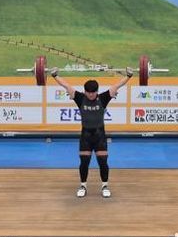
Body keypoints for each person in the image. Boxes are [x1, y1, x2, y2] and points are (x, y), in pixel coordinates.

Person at [50, 66, 133, 198]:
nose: (90, 95)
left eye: (93, 93)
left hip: (100, 136)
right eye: (88, 92)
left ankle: (105, 186)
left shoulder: (103, 98)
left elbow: (117, 86)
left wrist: (128, 76)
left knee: (103, 162)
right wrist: (55, 76)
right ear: (85, 91)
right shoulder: (80, 98)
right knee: (84, 162)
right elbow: (66, 86)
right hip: (86, 136)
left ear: (97, 91)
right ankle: (83, 186)